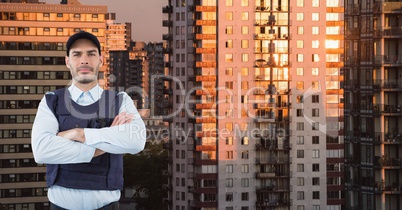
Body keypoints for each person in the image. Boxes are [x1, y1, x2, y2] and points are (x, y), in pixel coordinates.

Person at [31, 31, 146, 210]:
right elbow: (41, 151)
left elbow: (136, 141)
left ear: (101, 60)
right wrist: (101, 146)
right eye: (77, 54)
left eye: (91, 54)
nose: (84, 60)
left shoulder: (120, 100)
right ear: (67, 61)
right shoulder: (51, 100)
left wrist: (77, 133)